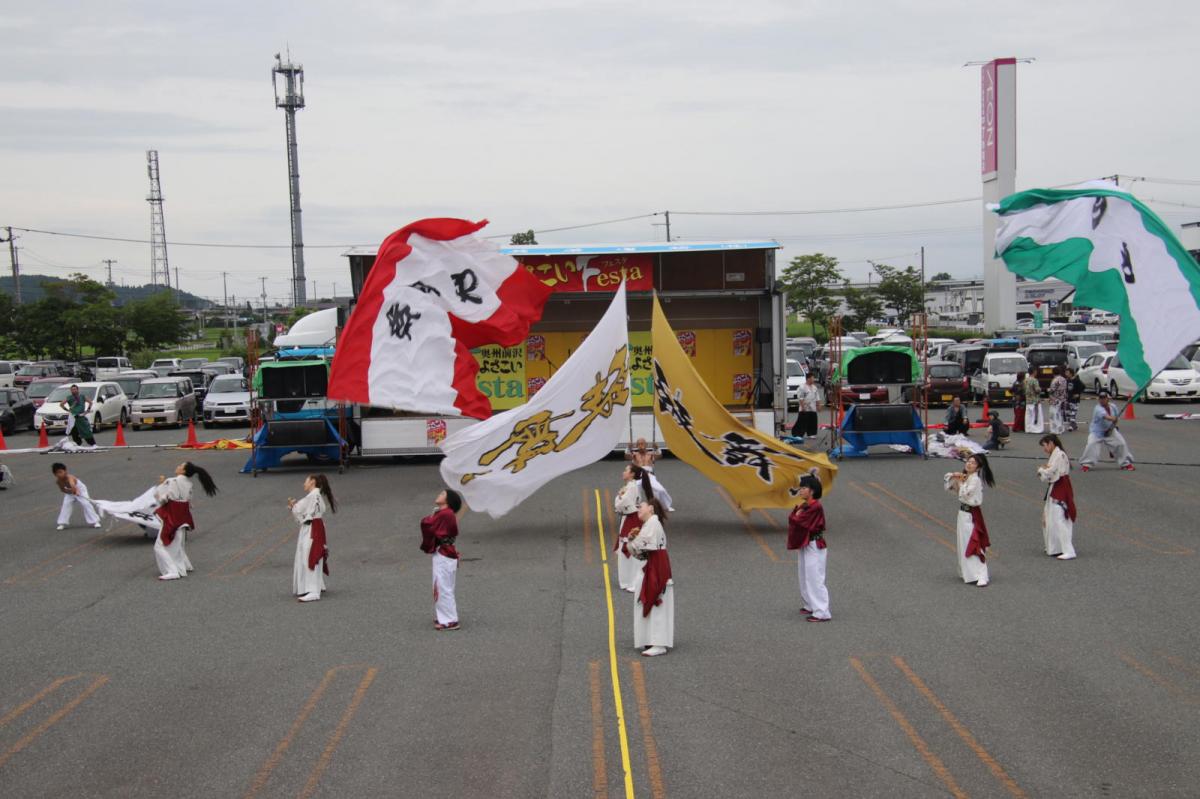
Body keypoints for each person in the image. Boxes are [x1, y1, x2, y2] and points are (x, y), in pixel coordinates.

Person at [627, 478, 673, 655]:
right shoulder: (649, 524)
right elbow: (638, 551)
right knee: (647, 599)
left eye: (641, 506)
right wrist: (633, 541)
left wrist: (633, 541)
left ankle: (659, 643)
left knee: (656, 601)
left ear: (651, 509)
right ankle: (650, 639)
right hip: (651, 564)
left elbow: (639, 547)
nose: (638, 508)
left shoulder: (653, 523)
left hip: (657, 567)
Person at [153, 461, 218, 580]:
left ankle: (173, 570)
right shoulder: (189, 483)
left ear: (183, 471)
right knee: (178, 541)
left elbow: (164, 498)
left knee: (160, 545)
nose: (177, 466)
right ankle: (184, 565)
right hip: (183, 515)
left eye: (180, 466)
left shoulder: (172, 481)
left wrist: (162, 487)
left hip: (172, 514)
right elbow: (188, 500)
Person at [787, 470, 831, 620]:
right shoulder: (806, 505)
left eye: (803, 488)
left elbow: (799, 521)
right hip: (806, 542)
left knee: (815, 578)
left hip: (814, 544)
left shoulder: (814, 507)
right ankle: (810, 605)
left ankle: (822, 612)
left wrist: (794, 515)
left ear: (812, 491)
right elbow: (796, 518)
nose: (800, 490)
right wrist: (795, 514)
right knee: (804, 574)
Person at [944, 453, 993, 587]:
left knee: (974, 542)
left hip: (972, 514)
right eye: (968, 461)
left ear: (978, 468)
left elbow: (966, 493)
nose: (969, 464)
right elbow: (952, 487)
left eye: (973, 463)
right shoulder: (967, 477)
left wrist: (961, 481)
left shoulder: (975, 480)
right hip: (963, 513)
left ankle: (982, 575)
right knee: (963, 543)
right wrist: (955, 478)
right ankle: (969, 573)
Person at [289, 474, 336, 602]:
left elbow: (300, 510)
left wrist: (293, 506)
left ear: (312, 482)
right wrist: (295, 507)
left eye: (306, 481)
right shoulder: (315, 496)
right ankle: (318, 584)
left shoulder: (313, 496)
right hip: (315, 527)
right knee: (314, 555)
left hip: (312, 529)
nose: (304, 483)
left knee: (310, 556)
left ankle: (313, 591)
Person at [421, 489, 463, 631]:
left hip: (444, 554)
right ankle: (445, 616)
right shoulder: (445, 514)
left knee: (442, 587)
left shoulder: (445, 514)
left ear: (448, 500)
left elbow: (428, 525)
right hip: (446, 553)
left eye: (442, 494)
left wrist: (429, 519)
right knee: (444, 586)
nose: (439, 494)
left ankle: (450, 620)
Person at [1036, 434, 1077, 560]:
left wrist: (1041, 470)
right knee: (1049, 517)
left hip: (1061, 487)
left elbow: (1051, 472)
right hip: (1056, 486)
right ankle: (1054, 547)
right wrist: (1044, 470)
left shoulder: (1059, 455)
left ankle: (1068, 550)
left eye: (1045, 445)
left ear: (1051, 443)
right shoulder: (1056, 455)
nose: (1044, 449)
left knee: (1060, 519)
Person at [1079, 391, 1134, 471]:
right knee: (1091, 445)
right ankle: (1086, 464)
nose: (1102, 400)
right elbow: (1106, 417)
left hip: (1110, 431)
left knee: (1121, 444)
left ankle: (1125, 463)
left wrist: (1114, 423)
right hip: (1097, 432)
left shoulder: (1113, 406)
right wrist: (1113, 419)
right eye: (1100, 398)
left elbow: (1116, 418)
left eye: (1104, 398)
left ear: (1108, 399)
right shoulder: (1098, 408)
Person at [612, 464, 645, 592]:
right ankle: (628, 580)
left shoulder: (631, 487)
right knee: (626, 548)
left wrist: (618, 497)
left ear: (632, 474)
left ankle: (632, 581)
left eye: (626, 470)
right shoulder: (630, 486)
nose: (623, 472)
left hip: (632, 519)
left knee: (628, 548)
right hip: (629, 518)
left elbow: (621, 503)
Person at [51, 462, 101, 530]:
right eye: (57, 473)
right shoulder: (58, 481)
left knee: (86, 504)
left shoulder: (70, 477)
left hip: (81, 491)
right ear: (55, 474)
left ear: (65, 471)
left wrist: (76, 491)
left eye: (61, 472)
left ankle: (95, 522)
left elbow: (73, 486)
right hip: (70, 492)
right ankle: (62, 523)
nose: (59, 474)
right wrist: (70, 492)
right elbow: (63, 490)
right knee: (66, 505)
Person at [790, 373, 822, 438]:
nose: (813, 379)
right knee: (802, 421)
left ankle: (811, 433)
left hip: (812, 407)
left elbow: (817, 397)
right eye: (812, 378)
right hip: (805, 406)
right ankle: (797, 434)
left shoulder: (814, 387)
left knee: (813, 420)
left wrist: (818, 405)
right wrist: (802, 406)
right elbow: (800, 397)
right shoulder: (802, 387)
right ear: (808, 379)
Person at [1047, 367, 1068, 435]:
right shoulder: (1064, 379)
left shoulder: (1055, 380)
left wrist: (1048, 390)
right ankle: (1060, 428)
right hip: (1062, 399)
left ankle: (1054, 429)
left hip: (1055, 400)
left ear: (1053, 372)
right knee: (1060, 414)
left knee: (1053, 415)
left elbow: (1052, 390)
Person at [1064, 367, 1085, 432]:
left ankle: (1071, 426)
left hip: (1075, 400)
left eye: (1067, 372)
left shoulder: (1076, 380)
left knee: (1073, 413)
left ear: (1071, 373)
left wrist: (1078, 394)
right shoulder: (1067, 380)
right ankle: (1074, 425)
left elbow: (1083, 387)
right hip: (1068, 399)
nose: (1066, 374)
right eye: (1066, 372)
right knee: (1067, 413)